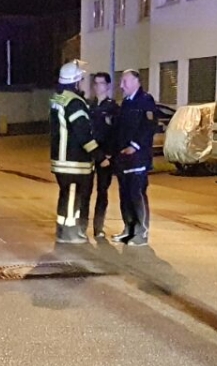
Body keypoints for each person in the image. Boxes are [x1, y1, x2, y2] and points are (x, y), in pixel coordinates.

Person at [49, 59, 100, 245]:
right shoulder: (75, 102)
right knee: (72, 195)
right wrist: (98, 154)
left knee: (66, 195)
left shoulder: (58, 98)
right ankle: (69, 234)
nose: (83, 83)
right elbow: (82, 132)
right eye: (81, 79)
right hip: (74, 160)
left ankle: (62, 229)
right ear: (75, 81)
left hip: (61, 158)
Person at [113, 69, 158, 247]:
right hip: (124, 159)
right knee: (125, 195)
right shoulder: (126, 103)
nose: (121, 85)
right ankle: (128, 229)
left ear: (136, 82)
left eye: (125, 81)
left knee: (136, 194)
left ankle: (141, 232)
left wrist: (135, 145)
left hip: (138, 158)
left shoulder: (145, 100)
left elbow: (149, 126)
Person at [88, 71, 119, 239]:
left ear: (107, 86)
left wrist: (109, 155)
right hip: (89, 153)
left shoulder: (112, 108)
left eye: (101, 83)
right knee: (85, 191)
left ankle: (98, 227)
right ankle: (81, 225)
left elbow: (115, 134)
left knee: (102, 191)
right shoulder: (89, 105)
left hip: (105, 156)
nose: (98, 87)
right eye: (96, 83)